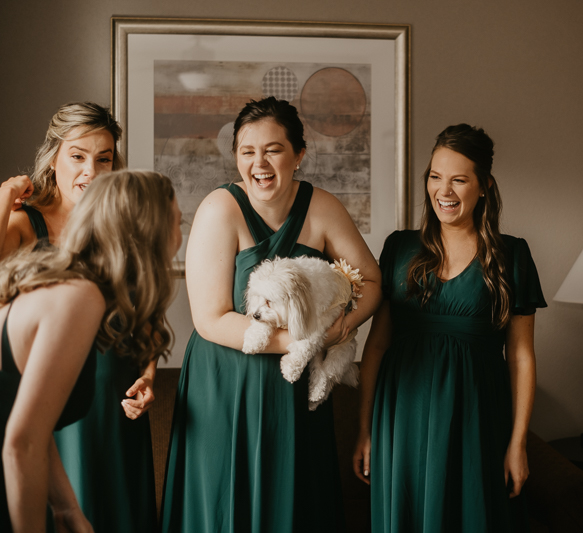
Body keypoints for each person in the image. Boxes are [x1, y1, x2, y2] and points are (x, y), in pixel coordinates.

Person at [160, 96, 381, 533]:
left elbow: (371, 281)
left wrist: (342, 327)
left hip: (294, 393)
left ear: (298, 155)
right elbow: (210, 318)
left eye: (273, 149)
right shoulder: (218, 209)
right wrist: (304, 341)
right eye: (247, 151)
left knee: (295, 507)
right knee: (227, 505)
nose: (259, 162)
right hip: (225, 384)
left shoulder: (323, 208)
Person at [353, 124, 545, 532]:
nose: (445, 191)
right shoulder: (400, 247)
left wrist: (517, 443)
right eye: (436, 178)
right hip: (401, 418)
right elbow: (375, 347)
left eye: (459, 180)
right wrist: (365, 430)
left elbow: (522, 357)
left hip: (476, 418)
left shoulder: (513, 255)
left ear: (484, 186)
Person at [0, 102, 161, 532]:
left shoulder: (121, 230)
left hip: (117, 408)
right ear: (54, 158)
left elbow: (143, 319)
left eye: (103, 158)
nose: (91, 170)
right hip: (54, 404)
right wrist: (2, 197)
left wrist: (148, 377)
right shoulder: (23, 223)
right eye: (77, 156)